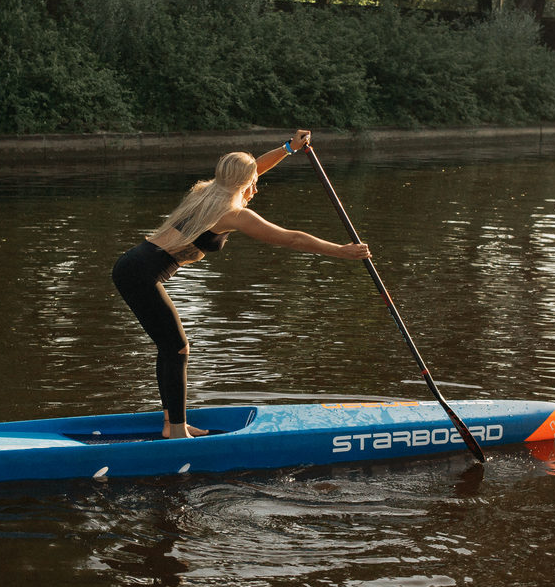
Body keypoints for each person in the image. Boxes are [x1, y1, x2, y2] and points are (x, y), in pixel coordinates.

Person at [112, 130, 372, 439]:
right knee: (177, 348)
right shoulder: (234, 214)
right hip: (139, 274)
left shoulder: (207, 191)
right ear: (246, 183)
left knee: (170, 347)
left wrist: (288, 148)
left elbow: (253, 169)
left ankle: (172, 423)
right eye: (254, 181)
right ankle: (178, 432)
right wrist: (340, 251)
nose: (257, 185)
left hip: (132, 266)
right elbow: (290, 238)